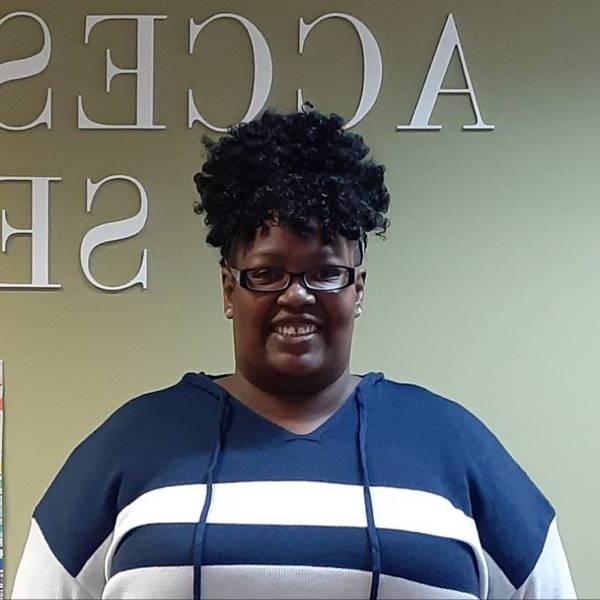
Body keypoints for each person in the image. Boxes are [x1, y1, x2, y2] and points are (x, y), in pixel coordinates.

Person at [13, 108, 576, 600]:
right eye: (267, 273)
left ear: (359, 289)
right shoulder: (132, 445)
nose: (297, 296)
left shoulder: (453, 447)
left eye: (326, 273)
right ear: (230, 289)